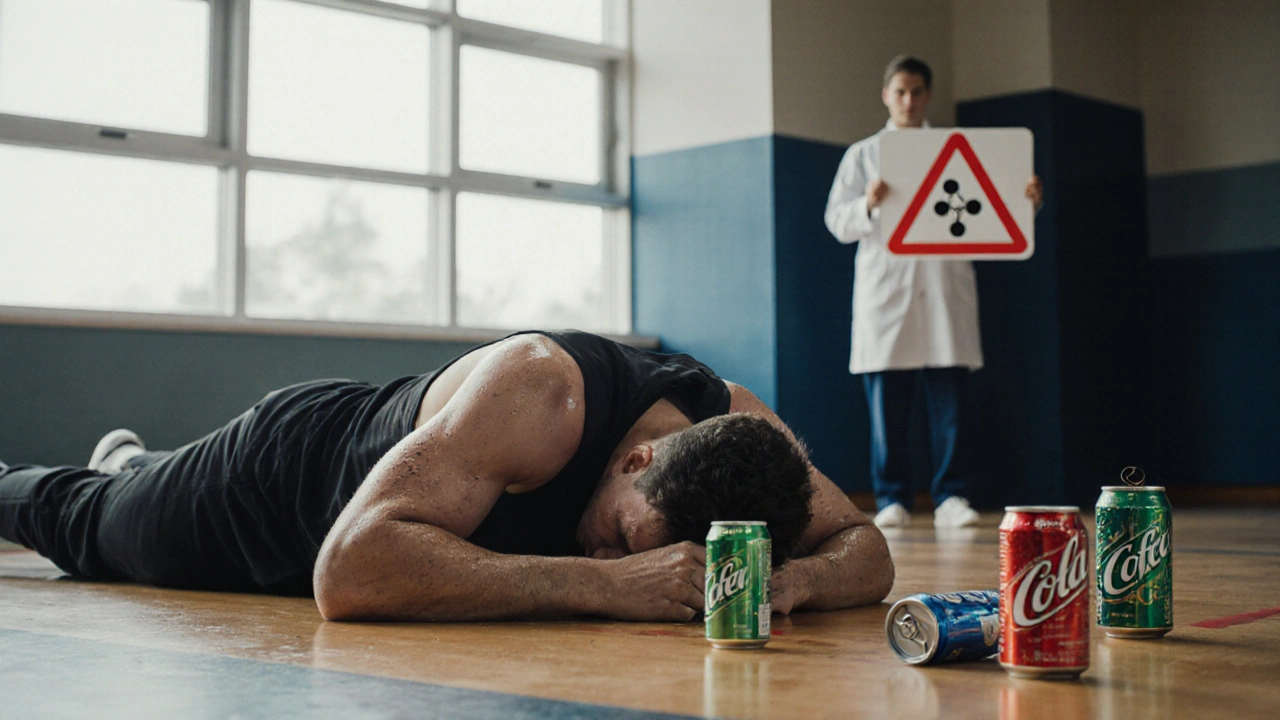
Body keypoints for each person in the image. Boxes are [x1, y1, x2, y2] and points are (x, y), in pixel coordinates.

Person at [0, 330, 894, 622]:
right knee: (91, 530)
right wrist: (606, 580)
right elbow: (348, 574)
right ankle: (76, 480)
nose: (625, 551)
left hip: (400, 525)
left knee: (124, 496)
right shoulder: (542, 392)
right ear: (636, 458)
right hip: (283, 485)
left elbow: (865, 544)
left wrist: (794, 580)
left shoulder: (743, 435)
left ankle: (136, 465)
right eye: (629, 531)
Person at [824, 56, 1044, 529]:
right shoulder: (864, 155)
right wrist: (868, 203)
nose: (908, 100)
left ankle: (951, 495)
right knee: (888, 409)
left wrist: (1022, 200)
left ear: (927, 95)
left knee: (950, 406)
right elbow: (836, 220)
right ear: (886, 95)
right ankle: (892, 498)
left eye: (917, 91)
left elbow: (992, 210)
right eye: (900, 91)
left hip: (944, 293)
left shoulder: (959, 150)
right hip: (889, 297)